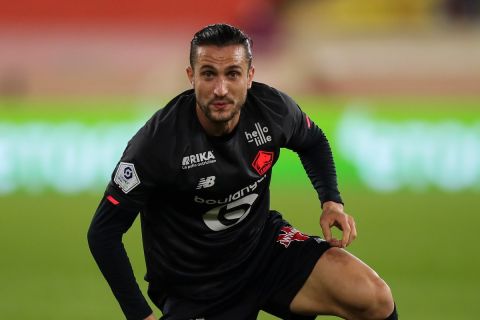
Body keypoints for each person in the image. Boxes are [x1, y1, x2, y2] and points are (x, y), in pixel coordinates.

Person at [87, 23, 397, 320]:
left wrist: (331, 201)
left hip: (263, 251)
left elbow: (313, 140)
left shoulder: (272, 110)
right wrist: (140, 315)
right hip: (197, 287)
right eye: (208, 74)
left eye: (232, 74)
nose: (220, 89)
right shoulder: (157, 144)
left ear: (249, 76)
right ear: (191, 76)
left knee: (373, 297)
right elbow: (103, 233)